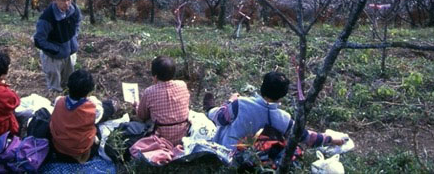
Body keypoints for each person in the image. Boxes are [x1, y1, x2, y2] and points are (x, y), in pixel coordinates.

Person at [205, 71, 346, 150]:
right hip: (252, 161)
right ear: (282, 97)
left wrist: (228, 101)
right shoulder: (283, 118)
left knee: (215, 115)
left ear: (262, 87)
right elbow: (305, 137)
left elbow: (220, 118)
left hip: (224, 153)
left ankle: (209, 105)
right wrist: (332, 139)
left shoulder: (240, 103)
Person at [49, 69, 109, 163]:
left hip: (59, 151)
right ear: (89, 90)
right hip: (81, 153)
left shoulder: (58, 101)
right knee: (106, 110)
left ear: (68, 86)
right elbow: (98, 116)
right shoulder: (94, 108)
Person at [33, 0, 81, 92]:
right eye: (63, 0)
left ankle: (67, 106)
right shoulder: (47, 18)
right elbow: (38, 40)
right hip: (53, 57)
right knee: (55, 89)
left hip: (69, 54)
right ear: (55, 0)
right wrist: (56, 50)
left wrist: (73, 39)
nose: (67, 3)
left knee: (69, 85)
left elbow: (78, 22)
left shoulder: (74, 9)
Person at [135, 56, 191, 145]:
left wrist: (136, 105)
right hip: (183, 136)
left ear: (155, 77)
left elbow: (142, 115)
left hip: (161, 139)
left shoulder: (149, 91)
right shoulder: (182, 85)